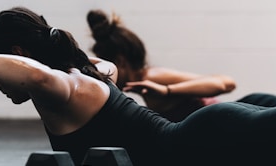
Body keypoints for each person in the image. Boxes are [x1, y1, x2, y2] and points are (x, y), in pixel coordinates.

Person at [0, 7, 276, 165]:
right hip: (210, 133)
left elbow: (37, 76)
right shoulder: (89, 70)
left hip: (205, 142)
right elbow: (97, 64)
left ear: (18, 55)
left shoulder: (63, 86)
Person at [87, 9, 276, 121]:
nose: (104, 74)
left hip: (235, 119)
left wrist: (167, 91)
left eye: (105, 65)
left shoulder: (152, 77)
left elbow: (225, 83)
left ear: (120, 61)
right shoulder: (145, 87)